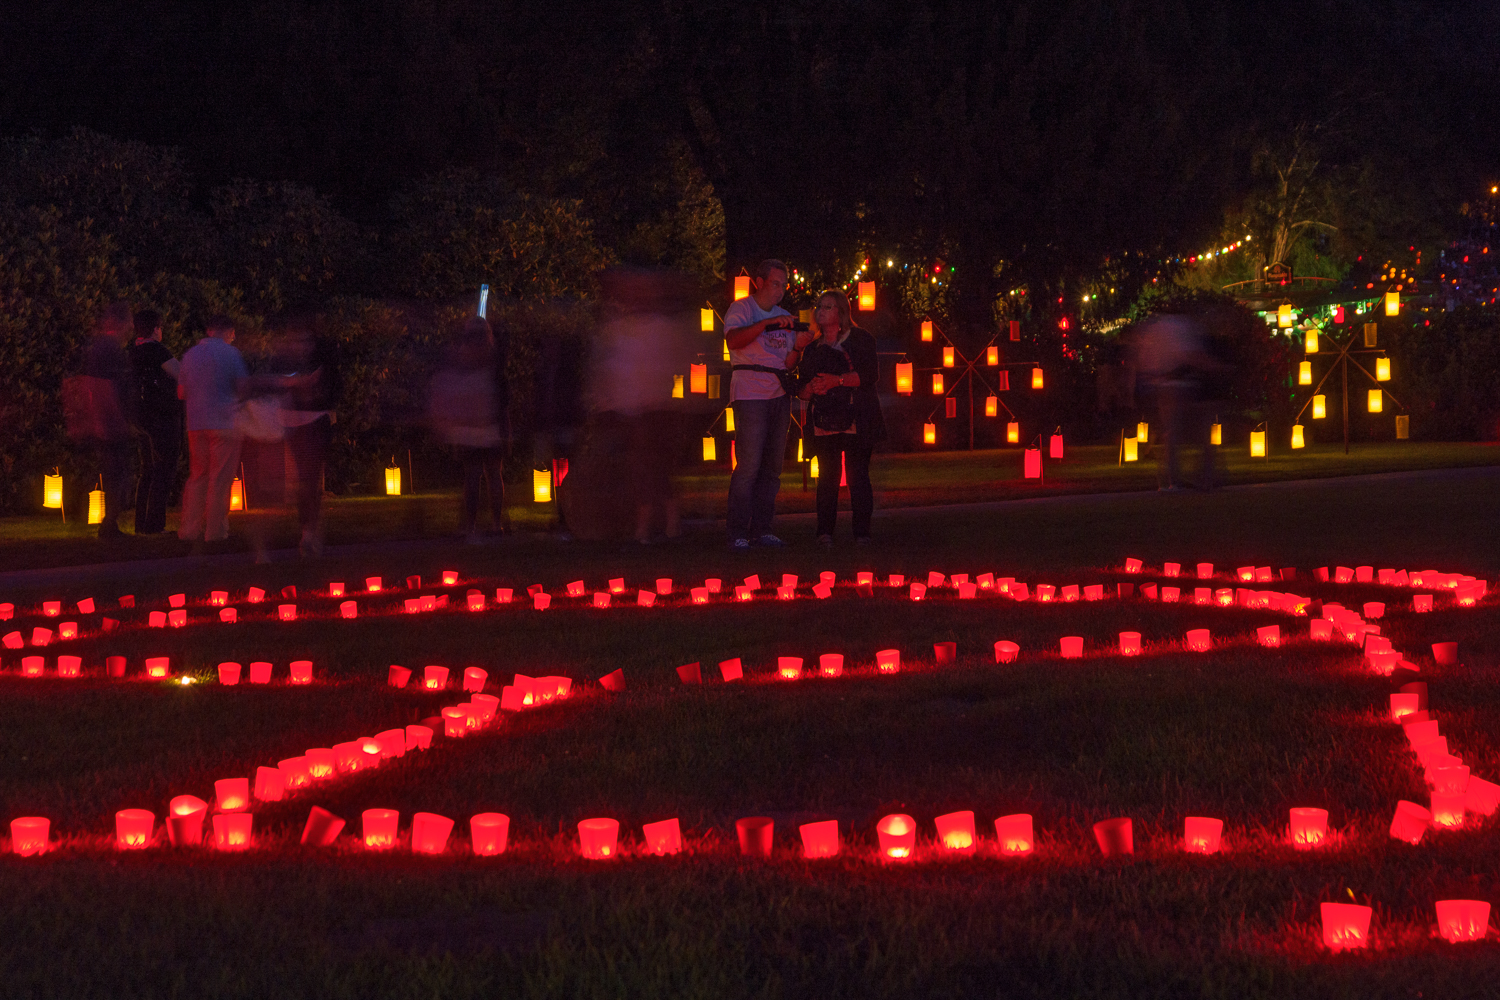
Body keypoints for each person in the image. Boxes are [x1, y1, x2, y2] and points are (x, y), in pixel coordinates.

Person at [724, 258, 815, 549]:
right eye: (775, 283)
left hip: (778, 392)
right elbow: (734, 341)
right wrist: (766, 323)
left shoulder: (785, 316)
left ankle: (763, 528)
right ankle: (738, 531)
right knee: (749, 464)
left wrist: (799, 347)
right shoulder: (742, 309)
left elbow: (787, 363)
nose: (780, 290)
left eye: (784, 285)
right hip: (750, 392)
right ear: (759, 282)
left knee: (772, 467)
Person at [798, 290, 884, 545]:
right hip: (825, 418)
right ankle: (824, 532)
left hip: (857, 415)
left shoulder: (861, 340)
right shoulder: (812, 348)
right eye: (819, 306)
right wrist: (812, 388)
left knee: (858, 474)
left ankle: (862, 533)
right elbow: (802, 390)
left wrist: (838, 381)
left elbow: (869, 376)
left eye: (828, 307)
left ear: (841, 312)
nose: (821, 311)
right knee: (827, 476)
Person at [429, 315, 510, 543]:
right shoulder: (489, 361)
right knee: (484, 475)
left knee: (482, 475)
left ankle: (479, 525)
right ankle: (489, 524)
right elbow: (500, 397)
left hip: (482, 425)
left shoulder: (478, 362)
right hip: (479, 425)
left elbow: (499, 396)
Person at [1133, 308, 1226, 491]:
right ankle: (1199, 477)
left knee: (1171, 434)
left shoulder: (1153, 329)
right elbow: (1190, 355)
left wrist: (1152, 380)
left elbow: (1143, 360)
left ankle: (1171, 479)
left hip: (1162, 387)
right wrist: (1216, 367)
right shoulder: (1180, 325)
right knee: (1196, 433)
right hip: (1182, 386)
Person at [177, 314, 248, 547]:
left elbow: (181, 392)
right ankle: (215, 531)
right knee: (220, 479)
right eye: (233, 331)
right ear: (227, 331)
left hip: (196, 424)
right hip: (226, 424)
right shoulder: (231, 354)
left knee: (198, 476)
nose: (234, 336)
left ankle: (189, 529)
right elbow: (242, 387)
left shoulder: (190, 355)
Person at [70, 302, 137, 539]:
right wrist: (117, 420)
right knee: (117, 473)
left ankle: (110, 524)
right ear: (118, 323)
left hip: (104, 421)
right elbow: (103, 386)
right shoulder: (110, 349)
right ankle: (109, 525)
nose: (132, 326)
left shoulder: (98, 347)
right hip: (110, 422)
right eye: (129, 320)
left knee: (113, 472)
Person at [275, 317, 341, 556]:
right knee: (304, 480)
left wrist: (314, 394)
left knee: (310, 478)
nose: (301, 345)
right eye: (296, 340)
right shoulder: (283, 362)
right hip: (293, 423)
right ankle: (309, 531)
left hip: (316, 421)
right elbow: (276, 386)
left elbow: (335, 390)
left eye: (305, 341)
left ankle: (310, 532)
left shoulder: (323, 362)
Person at [127, 308, 182, 534]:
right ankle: (155, 524)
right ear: (156, 329)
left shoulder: (132, 352)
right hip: (161, 416)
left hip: (140, 417)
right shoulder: (157, 351)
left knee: (147, 470)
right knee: (164, 468)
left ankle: (141, 523)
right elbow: (181, 374)